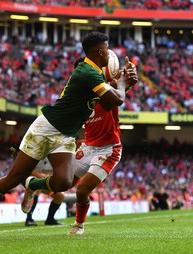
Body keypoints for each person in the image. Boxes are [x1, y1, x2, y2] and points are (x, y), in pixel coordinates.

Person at [0, 31, 137, 240]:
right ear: (100, 51)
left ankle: (33, 185)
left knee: (64, 183)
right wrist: (122, 84)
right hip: (45, 129)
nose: (110, 53)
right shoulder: (87, 73)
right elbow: (114, 100)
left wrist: (124, 81)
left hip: (65, 136)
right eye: (108, 48)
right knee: (13, 178)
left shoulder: (95, 73)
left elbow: (112, 99)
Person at [68, 57, 136, 235]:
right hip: (88, 147)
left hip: (109, 149)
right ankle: (30, 182)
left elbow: (124, 83)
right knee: (60, 183)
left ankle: (78, 225)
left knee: (82, 190)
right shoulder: (75, 96)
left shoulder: (105, 88)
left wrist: (128, 73)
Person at [25, 158, 65, 226]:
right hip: (29, 179)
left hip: (44, 181)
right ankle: (29, 219)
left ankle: (50, 219)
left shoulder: (56, 156)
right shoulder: (36, 154)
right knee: (37, 188)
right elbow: (27, 169)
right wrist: (39, 176)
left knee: (60, 196)